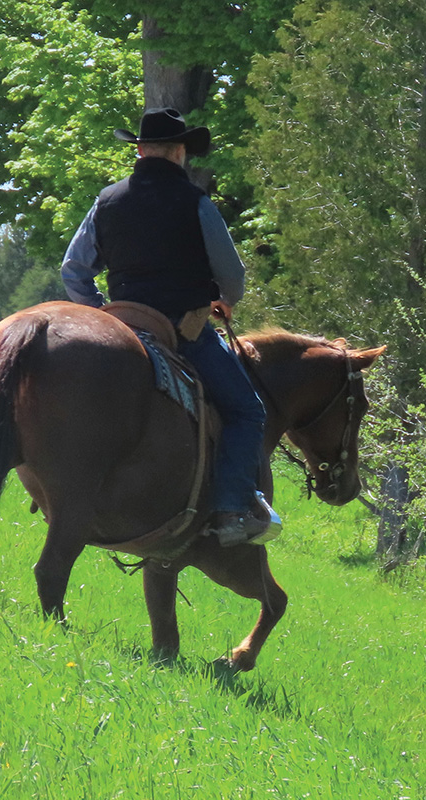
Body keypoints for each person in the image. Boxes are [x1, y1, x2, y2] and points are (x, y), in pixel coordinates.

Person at [61, 107, 276, 547]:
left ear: (139, 151)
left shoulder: (106, 200)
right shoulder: (196, 202)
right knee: (247, 411)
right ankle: (232, 510)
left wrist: (100, 314)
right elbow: (231, 276)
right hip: (184, 332)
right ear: (179, 153)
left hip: (123, 327)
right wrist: (225, 302)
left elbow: (74, 270)